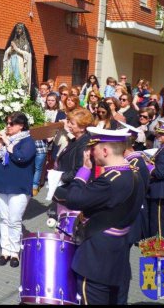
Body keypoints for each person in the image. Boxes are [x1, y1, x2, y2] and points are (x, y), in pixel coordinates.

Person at [53, 127, 145, 305]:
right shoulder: (134, 173)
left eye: (93, 148)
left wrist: (84, 171)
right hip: (117, 249)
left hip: (97, 257)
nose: (91, 153)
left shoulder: (110, 180)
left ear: (105, 150)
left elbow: (73, 199)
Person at [0, 112, 36, 267]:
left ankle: (15, 251)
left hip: (19, 186)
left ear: (21, 125)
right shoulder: (4, 140)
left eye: (11, 124)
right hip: (0, 184)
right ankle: (5, 250)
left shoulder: (28, 141)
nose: (8, 126)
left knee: (15, 220)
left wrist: (8, 142)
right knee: (4, 218)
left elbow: (21, 158)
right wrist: (0, 142)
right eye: (7, 123)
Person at [2, 23, 33, 94]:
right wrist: (11, 50)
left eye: (20, 29)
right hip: (12, 62)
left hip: (20, 62)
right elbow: (7, 53)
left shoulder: (26, 42)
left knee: (19, 79)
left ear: (23, 30)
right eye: (17, 29)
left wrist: (17, 49)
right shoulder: (14, 41)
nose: (18, 30)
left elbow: (27, 55)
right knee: (10, 77)